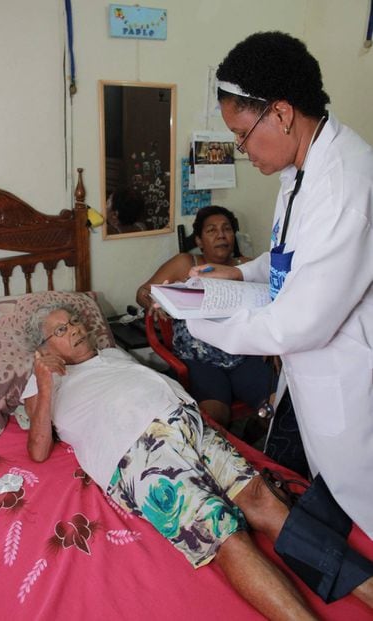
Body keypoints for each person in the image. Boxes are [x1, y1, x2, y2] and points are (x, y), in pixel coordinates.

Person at [22, 304, 373, 617]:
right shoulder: (40, 383)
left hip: (187, 424)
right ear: (44, 348)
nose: (76, 330)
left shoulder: (113, 354)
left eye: (75, 321)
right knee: (223, 534)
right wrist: (45, 383)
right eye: (61, 331)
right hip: (137, 450)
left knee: (264, 500)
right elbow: (37, 450)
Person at [185, 32, 373, 547]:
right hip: (309, 375)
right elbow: (289, 250)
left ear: (282, 114)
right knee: (326, 486)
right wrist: (240, 275)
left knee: (362, 501)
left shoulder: (342, 187)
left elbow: (302, 323)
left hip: (347, 376)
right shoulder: (302, 165)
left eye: (243, 136)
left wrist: (206, 320)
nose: (243, 151)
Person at [137, 205, 277, 441]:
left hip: (242, 352)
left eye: (227, 229)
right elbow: (143, 291)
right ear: (200, 240)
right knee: (214, 416)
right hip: (199, 358)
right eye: (211, 230)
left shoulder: (246, 266)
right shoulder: (185, 263)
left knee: (276, 407)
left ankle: (253, 434)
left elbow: (273, 303)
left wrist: (273, 346)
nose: (221, 235)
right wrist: (151, 300)